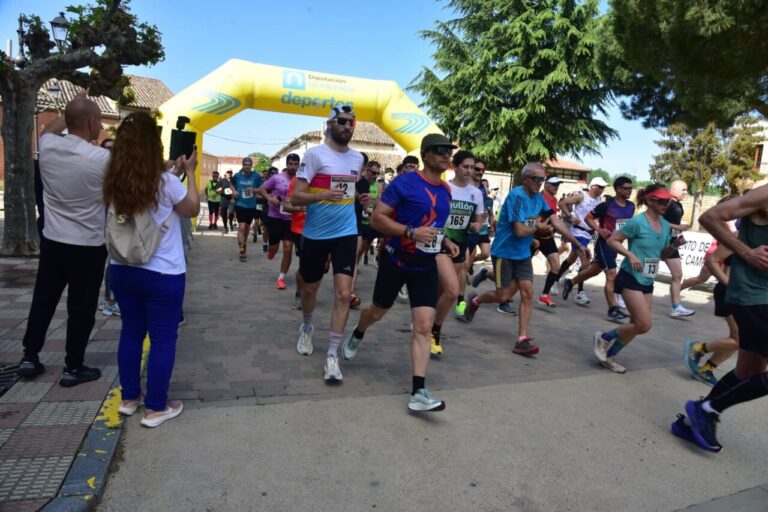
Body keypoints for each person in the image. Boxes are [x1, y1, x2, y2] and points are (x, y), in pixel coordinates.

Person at [341, 133, 458, 411]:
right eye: (440, 150)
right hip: (396, 260)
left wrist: (447, 240)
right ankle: (358, 331)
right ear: (426, 154)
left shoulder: (446, 190)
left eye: (449, 152)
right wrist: (410, 232)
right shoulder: (404, 183)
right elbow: (379, 219)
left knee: (423, 326)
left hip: (425, 265)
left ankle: (419, 391)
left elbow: (435, 226)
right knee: (378, 311)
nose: (446, 156)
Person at [103, 112, 199, 427]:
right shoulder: (166, 182)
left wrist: (171, 170)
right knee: (163, 339)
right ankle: (156, 406)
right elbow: (191, 209)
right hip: (163, 273)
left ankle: (130, 398)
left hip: (122, 267)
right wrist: (191, 173)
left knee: (131, 332)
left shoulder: (114, 179)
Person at [18, 98, 110, 387]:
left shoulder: (47, 146)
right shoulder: (100, 159)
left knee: (43, 300)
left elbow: (50, 128)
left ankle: (29, 356)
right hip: (88, 245)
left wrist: (70, 108)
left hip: (54, 240)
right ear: (93, 123)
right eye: (100, 120)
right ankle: (73, 366)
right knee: (81, 307)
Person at [671, 181, 768, 453]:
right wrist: (747, 253)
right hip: (753, 296)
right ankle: (708, 409)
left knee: (748, 373)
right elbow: (710, 217)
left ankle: (692, 422)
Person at [464, 163, 589, 355]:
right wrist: (538, 229)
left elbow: (555, 221)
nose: (540, 183)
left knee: (528, 292)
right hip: (504, 253)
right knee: (503, 296)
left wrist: (577, 244)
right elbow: (520, 230)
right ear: (525, 179)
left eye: (542, 179)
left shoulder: (539, 198)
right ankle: (476, 301)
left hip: (522, 254)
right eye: (536, 179)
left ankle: (522, 339)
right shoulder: (517, 196)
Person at [289, 105, 364, 382]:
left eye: (351, 122)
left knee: (344, 294)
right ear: (330, 124)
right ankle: (307, 327)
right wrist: (322, 195)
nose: (348, 126)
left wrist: (360, 200)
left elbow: (349, 193)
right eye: (342, 121)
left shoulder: (358, 158)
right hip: (316, 233)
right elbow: (296, 197)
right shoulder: (315, 155)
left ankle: (332, 354)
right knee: (310, 287)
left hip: (346, 232)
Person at [592, 184, 685, 373]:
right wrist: (630, 255)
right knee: (644, 324)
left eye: (668, 200)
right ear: (650, 200)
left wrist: (674, 245)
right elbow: (612, 240)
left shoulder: (666, 225)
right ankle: (605, 337)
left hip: (648, 279)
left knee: (638, 326)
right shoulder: (637, 222)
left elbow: (663, 255)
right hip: (630, 276)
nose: (666, 204)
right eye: (662, 200)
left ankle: (609, 356)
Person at [561, 177, 635, 323]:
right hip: (604, 243)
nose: (629, 191)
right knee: (612, 274)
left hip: (617, 245)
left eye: (631, 188)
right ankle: (612, 309)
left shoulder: (631, 206)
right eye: (626, 188)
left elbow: (627, 225)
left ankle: (570, 282)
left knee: (594, 270)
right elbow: (588, 218)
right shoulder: (606, 205)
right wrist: (599, 229)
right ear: (618, 189)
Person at [432, 150, 484, 355]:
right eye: (466, 167)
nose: (470, 171)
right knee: (449, 290)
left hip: (460, 244)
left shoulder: (476, 193)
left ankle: (428, 324)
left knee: (443, 291)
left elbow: (479, 218)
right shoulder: (445, 187)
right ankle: (432, 329)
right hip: (440, 243)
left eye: (473, 168)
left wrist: (477, 225)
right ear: (455, 167)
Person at [683, 240, 738, 385]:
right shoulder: (739, 236)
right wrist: (729, 285)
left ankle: (707, 369)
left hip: (750, 296)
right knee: (741, 338)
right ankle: (697, 349)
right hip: (730, 293)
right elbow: (713, 260)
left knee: (739, 338)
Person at [557, 177, 607, 305]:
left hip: (588, 234)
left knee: (571, 259)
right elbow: (562, 203)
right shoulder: (581, 196)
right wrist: (570, 216)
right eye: (600, 187)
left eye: (603, 187)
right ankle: (580, 292)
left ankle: (554, 279)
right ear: (593, 186)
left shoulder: (599, 200)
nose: (602, 189)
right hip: (578, 233)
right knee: (585, 261)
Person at [260, 155, 300, 289]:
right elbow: (262, 189)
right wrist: (269, 198)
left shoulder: (301, 180)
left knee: (288, 248)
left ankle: (281, 277)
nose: (293, 167)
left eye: (295, 164)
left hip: (291, 219)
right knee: (274, 248)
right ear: (287, 164)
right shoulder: (277, 178)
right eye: (291, 164)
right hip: (275, 217)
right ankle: (271, 251)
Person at [532, 174, 567, 307]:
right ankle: (487, 274)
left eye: (558, 185)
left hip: (547, 238)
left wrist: (553, 228)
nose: (556, 187)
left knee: (556, 267)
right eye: (553, 184)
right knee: (518, 269)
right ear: (545, 184)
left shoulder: (555, 199)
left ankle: (544, 295)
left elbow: (552, 219)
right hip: (533, 237)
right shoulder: (539, 198)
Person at [351, 160, 383, 306]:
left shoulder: (375, 185)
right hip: (348, 222)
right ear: (366, 170)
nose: (375, 176)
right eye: (373, 172)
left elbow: (372, 205)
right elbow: (365, 206)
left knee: (356, 254)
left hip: (361, 222)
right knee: (354, 255)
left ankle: (350, 291)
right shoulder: (361, 183)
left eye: (377, 173)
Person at [664, 180, 696, 318]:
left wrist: (677, 233)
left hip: (672, 243)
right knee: (644, 273)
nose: (686, 192)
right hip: (658, 242)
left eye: (686, 190)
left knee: (677, 275)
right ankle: (622, 294)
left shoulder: (677, 204)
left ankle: (676, 307)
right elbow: (656, 220)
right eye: (683, 190)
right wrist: (677, 227)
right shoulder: (666, 202)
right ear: (674, 190)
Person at [97, 138, 120, 317]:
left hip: (116, 221)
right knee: (113, 261)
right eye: (107, 149)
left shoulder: (119, 170)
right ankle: (110, 301)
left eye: (114, 150)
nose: (110, 154)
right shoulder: (100, 170)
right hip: (104, 223)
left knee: (114, 261)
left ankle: (111, 299)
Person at [231, 157, 263, 261]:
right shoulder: (237, 176)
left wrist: (254, 190)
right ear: (243, 165)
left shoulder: (256, 176)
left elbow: (263, 188)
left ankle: (244, 244)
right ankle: (241, 249)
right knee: (241, 227)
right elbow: (231, 183)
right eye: (245, 164)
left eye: (249, 165)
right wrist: (234, 191)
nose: (247, 166)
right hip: (240, 204)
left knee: (247, 227)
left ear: (251, 166)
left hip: (251, 205)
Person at [283, 175, 307, 310]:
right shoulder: (297, 181)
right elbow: (286, 206)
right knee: (305, 265)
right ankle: (300, 293)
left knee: (321, 268)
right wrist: (301, 209)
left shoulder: (329, 179)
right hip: (300, 229)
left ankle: (308, 290)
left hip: (324, 229)